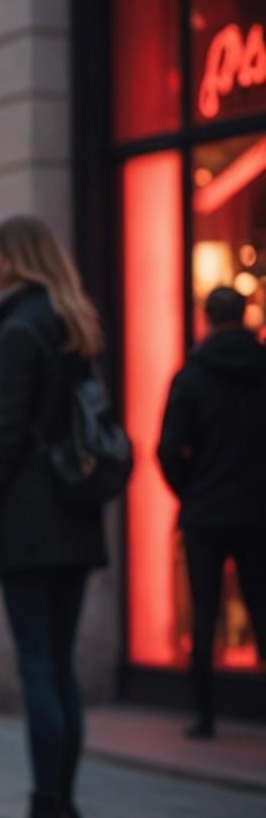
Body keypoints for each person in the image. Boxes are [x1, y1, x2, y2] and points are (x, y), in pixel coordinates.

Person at [0, 216, 109, 818]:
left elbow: (5, 432)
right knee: (62, 667)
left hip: (29, 518)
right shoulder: (74, 322)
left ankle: (45, 811)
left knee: (39, 667)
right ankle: (65, 809)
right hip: (74, 515)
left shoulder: (20, 331)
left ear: (16, 260)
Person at [158, 286, 266, 741]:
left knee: (204, 613)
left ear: (207, 317)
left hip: (205, 511)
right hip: (257, 510)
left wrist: (191, 490)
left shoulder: (192, 375)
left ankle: (204, 716)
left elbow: (167, 449)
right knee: (262, 606)